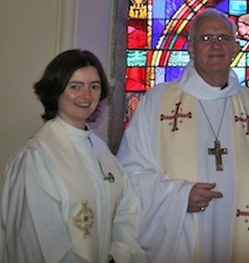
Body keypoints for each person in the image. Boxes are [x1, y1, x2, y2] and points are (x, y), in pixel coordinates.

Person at [117, 8, 249, 263]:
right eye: (206, 38)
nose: (216, 45)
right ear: (190, 48)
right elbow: (131, 173)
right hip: (183, 233)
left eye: (223, 38)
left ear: (235, 49)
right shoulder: (157, 103)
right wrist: (179, 197)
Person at [0, 49, 146, 263]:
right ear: (56, 90)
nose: (86, 96)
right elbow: (36, 243)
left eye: (94, 87)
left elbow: (127, 210)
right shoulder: (37, 157)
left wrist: (119, 253)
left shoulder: (99, 149)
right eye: (75, 87)